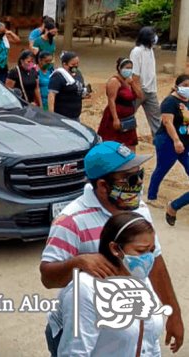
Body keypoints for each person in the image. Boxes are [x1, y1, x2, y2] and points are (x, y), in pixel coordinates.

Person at [39, 141, 183, 351]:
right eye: (131, 179)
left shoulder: (139, 210)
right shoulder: (70, 221)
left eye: (140, 175)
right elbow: (48, 277)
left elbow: (156, 262)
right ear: (103, 186)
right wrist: (78, 263)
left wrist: (174, 314)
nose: (139, 183)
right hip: (82, 326)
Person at [46, 212, 168, 356]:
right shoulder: (85, 290)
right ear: (115, 249)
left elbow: (150, 341)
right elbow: (75, 352)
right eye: (141, 251)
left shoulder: (141, 278)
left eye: (151, 251)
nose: (148, 258)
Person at [146, 74, 189, 208]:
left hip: (184, 142)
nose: (188, 88)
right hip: (168, 141)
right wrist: (176, 141)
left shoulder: (187, 101)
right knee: (162, 168)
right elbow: (167, 122)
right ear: (177, 87)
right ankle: (151, 197)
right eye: (185, 86)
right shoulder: (170, 102)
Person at [97, 57, 142, 150]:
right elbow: (111, 100)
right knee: (112, 144)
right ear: (119, 68)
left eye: (130, 68)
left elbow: (140, 95)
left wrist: (133, 83)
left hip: (128, 118)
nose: (129, 70)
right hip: (117, 116)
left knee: (130, 144)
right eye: (126, 68)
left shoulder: (129, 80)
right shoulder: (114, 81)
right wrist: (115, 119)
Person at [131, 27, 162, 136]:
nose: (155, 38)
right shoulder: (137, 51)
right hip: (140, 90)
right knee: (128, 117)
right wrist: (138, 91)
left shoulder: (150, 50)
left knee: (156, 120)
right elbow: (135, 74)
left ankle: (159, 144)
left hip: (151, 90)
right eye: (153, 35)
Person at [48, 51, 89, 120]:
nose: (76, 66)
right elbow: (51, 95)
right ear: (65, 64)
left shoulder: (78, 73)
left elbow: (80, 87)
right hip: (62, 116)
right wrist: (51, 115)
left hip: (75, 115)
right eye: (73, 64)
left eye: (77, 63)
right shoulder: (58, 76)